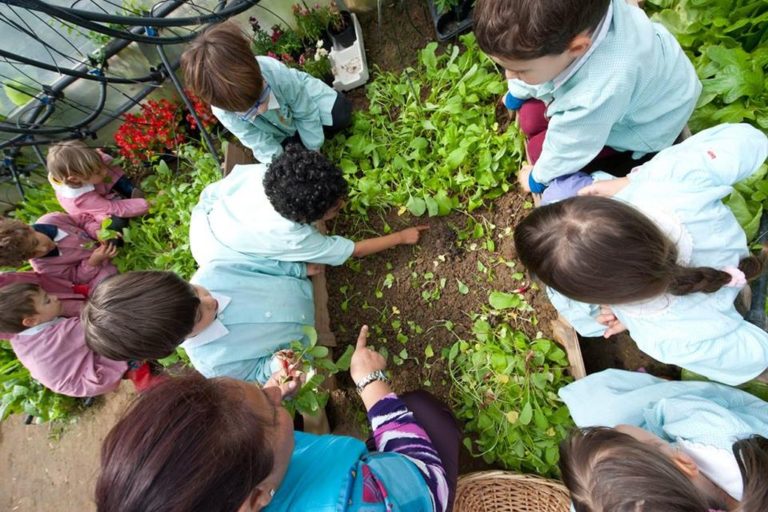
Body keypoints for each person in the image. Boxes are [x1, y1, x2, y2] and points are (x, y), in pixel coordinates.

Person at [94, 326, 459, 512]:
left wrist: (270, 394)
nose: (271, 394)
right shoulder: (362, 504)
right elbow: (427, 483)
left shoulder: (222, 487)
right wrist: (370, 384)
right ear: (254, 499)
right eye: (271, 410)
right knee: (423, 411)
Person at [513, 123, 768, 385]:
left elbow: (757, 359)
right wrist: (632, 182)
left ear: (602, 297)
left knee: (587, 322)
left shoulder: (665, 339)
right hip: (724, 260)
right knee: (557, 195)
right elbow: (751, 141)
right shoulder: (666, 181)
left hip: (723, 305)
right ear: (615, 207)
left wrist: (630, 316)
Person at [473, 0, 701, 204]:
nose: (509, 76)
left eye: (521, 70)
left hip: (648, 123)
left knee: (537, 150)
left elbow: (571, 144)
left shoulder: (597, 91)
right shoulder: (587, 17)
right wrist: (519, 90)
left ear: (577, 48)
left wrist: (537, 179)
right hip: (647, 85)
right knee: (531, 120)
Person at [558, 369, 768, 511]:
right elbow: (672, 406)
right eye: (618, 433)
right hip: (750, 422)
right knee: (601, 407)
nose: (617, 428)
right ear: (683, 462)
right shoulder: (712, 429)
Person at [190, 145, 428, 268]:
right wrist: (400, 237)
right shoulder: (293, 237)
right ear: (304, 219)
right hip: (218, 252)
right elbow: (355, 250)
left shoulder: (266, 173)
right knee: (294, 271)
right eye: (335, 209)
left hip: (211, 209)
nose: (343, 206)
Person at [83, 268, 315, 384]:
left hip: (308, 286)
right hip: (313, 340)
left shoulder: (212, 273)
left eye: (194, 290)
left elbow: (259, 263)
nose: (210, 301)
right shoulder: (214, 363)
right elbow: (256, 373)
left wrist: (297, 269)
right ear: (173, 343)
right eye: (198, 317)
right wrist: (278, 364)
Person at [181, 21, 352, 164]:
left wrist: (314, 150)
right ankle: (307, 137)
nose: (261, 109)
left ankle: (314, 134)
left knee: (341, 113)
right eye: (250, 112)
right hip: (277, 131)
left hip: (305, 100)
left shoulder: (275, 72)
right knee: (288, 158)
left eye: (262, 98)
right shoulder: (224, 112)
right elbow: (260, 143)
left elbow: (305, 110)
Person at [0, 282, 127, 397]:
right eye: (47, 301)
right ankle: (132, 366)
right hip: (93, 378)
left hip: (72, 382)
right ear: (31, 321)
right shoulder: (60, 335)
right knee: (115, 332)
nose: (54, 297)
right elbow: (99, 323)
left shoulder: (20, 338)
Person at [47, 140, 149, 239]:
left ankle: (129, 195)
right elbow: (114, 208)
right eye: (98, 172)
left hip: (100, 192)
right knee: (116, 222)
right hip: (97, 213)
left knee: (109, 165)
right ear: (74, 179)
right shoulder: (81, 199)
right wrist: (149, 204)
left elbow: (101, 166)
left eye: (101, 165)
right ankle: (131, 208)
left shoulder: (86, 169)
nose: (104, 171)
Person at [0, 215, 118, 292]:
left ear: (29, 229)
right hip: (100, 266)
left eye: (36, 242)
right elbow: (76, 277)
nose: (43, 249)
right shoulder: (44, 267)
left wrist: (97, 232)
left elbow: (82, 220)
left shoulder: (51, 220)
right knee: (106, 282)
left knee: (112, 222)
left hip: (102, 239)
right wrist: (93, 262)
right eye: (33, 254)